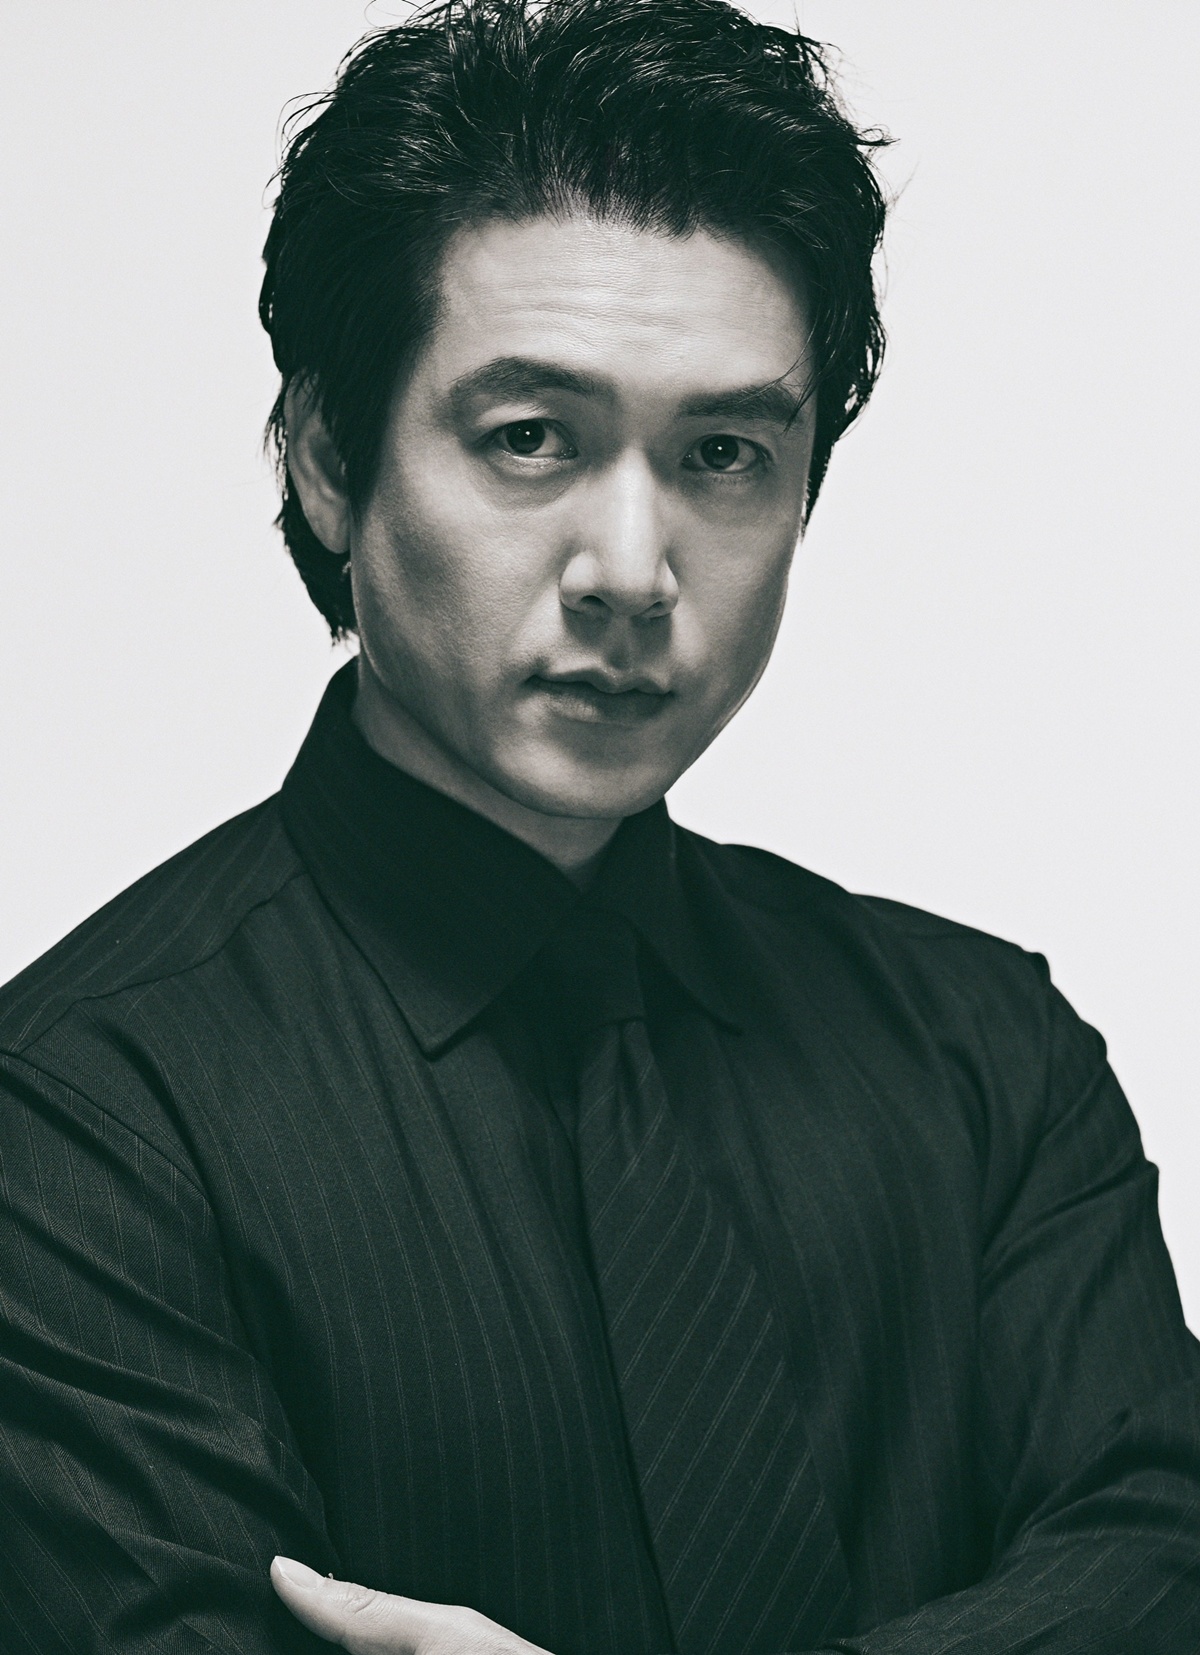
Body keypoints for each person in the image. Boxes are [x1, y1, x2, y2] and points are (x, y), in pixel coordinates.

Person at [0, 0, 1196, 1649]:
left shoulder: (988, 1056)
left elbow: (1163, 1550)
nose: (632, 571)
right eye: (530, 440)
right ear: (331, 459)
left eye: (724, 453)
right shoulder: (76, 1126)